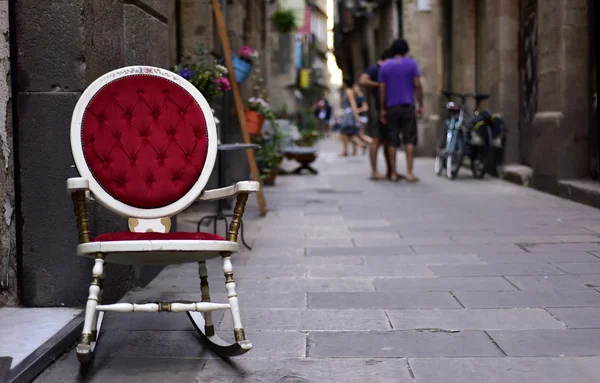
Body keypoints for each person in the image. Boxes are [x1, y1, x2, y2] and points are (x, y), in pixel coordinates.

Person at [379, 39, 423, 182]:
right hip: (408, 105)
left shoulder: (385, 66)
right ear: (406, 50)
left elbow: (382, 89)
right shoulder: (412, 64)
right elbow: (417, 84)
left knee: (392, 140)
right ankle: (410, 172)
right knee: (409, 139)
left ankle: (392, 173)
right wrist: (420, 104)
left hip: (392, 107)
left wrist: (382, 108)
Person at [359, 48, 395, 180]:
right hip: (378, 108)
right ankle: (374, 171)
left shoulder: (383, 68)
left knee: (387, 140)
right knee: (376, 139)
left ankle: (390, 171)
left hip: (387, 107)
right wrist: (378, 85)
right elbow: (362, 81)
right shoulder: (376, 68)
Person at [339, 77, 369, 156]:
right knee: (350, 133)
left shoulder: (349, 91)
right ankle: (359, 146)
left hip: (349, 114)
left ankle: (347, 150)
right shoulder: (350, 92)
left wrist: (356, 115)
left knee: (346, 132)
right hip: (348, 113)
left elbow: (353, 104)